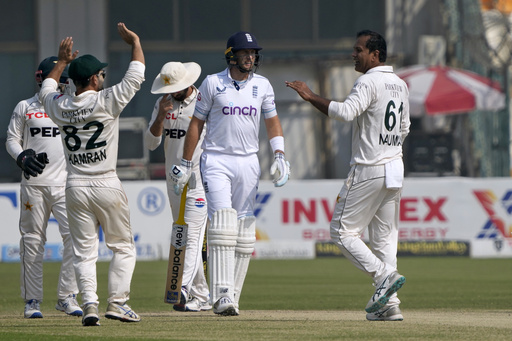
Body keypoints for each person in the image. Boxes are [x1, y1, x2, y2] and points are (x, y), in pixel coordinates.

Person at [286, 30, 410, 321]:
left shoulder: (368, 80)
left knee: (341, 232)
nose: (353, 55)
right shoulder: (400, 84)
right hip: (395, 167)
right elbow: (404, 128)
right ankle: (390, 305)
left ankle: (383, 277)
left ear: (375, 55)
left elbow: (345, 112)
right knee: (384, 240)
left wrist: (309, 95)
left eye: (359, 50)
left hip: (369, 167)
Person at [170, 31, 290, 316]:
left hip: (249, 162)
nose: (250, 57)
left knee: (245, 229)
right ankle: (220, 294)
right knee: (223, 222)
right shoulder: (212, 83)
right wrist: (187, 164)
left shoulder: (262, 85)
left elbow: (272, 123)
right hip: (216, 160)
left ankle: (231, 296)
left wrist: (280, 156)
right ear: (231, 55)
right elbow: (196, 125)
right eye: (244, 53)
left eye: (253, 53)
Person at [39, 23, 145, 326]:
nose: (103, 77)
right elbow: (136, 74)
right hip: (106, 181)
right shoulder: (106, 100)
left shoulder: (59, 107)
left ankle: (89, 305)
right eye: (101, 74)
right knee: (122, 247)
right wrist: (135, 41)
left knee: (84, 252)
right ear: (94, 79)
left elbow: (47, 87)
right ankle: (117, 303)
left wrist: (60, 62)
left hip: (74, 185)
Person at [6, 57, 82, 319]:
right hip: (34, 185)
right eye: (59, 75)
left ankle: (66, 296)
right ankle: (32, 300)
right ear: (42, 77)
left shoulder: (71, 105)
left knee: (75, 239)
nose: (64, 81)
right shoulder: (25, 106)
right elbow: (12, 139)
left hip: (66, 184)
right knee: (32, 242)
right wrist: (22, 157)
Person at [145, 61, 211, 312]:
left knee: (191, 234)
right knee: (181, 232)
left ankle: (180, 288)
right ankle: (201, 295)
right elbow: (151, 143)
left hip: (197, 177)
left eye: (177, 88)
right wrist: (161, 116)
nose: (172, 92)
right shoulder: (163, 102)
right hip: (173, 180)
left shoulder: (204, 101)